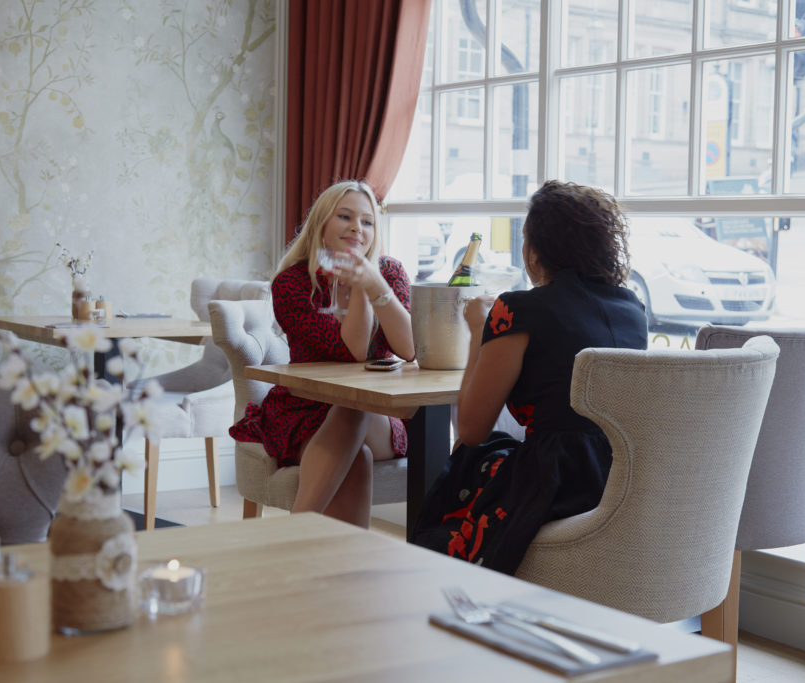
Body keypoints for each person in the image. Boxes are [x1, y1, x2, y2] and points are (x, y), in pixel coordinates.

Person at [409, 180, 648, 574]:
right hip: (620, 475)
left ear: (535, 252)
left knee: (470, 461)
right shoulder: (632, 308)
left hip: (557, 481)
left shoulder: (518, 311)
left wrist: (477, 331)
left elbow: (470, 427)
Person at [229, 180, 414, 528]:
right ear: (322, 224)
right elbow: (353, 353)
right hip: (305, 409)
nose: (357, 227)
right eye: (345, 216)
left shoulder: (389, 272)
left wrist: (373, 284)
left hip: (377, 415)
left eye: (367, 221)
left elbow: (409, 348)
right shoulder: (292, 283)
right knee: (355, 451)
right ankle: (337, 569)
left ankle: (294, 530)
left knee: (356, 404)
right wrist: (362, 285)